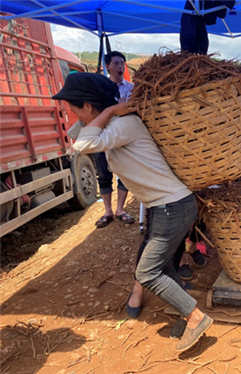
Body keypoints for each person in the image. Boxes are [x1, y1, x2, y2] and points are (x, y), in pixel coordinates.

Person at [53, 73, 213, 353]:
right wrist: (105, 112)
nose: (71, 114)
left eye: (74, 108)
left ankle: (195, 317)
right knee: (160, 267)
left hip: (172, 206)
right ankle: (186, 311)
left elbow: (82, 145)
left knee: (148, 272)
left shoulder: (124, 125)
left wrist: (112, 110)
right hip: (163, 206)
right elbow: (75, 135)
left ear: (88, 107)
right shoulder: (111, 125)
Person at [92, 51, 135, 227]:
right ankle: (107, 211)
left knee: (124, 172)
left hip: (122, 137)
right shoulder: (100, 88)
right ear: (107, 66)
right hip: (103, 136)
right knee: (103, 173)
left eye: (122, 64)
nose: (120, 67)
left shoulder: (131, 88)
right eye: (116, 63)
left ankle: (120, 210)